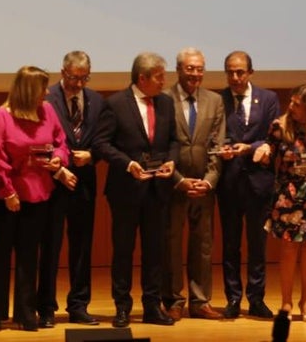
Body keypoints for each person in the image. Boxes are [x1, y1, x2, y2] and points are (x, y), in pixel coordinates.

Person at [0, 65, 77, 332]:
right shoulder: (1, 116)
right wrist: (8, 192)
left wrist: (59, 157)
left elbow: (60, 141)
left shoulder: (46, 111)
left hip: (39, 192)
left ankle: (26, 312)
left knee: (28, 255)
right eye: (42, 88)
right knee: (0, 253)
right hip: (6, 195)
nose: (47, 93)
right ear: (28, 90)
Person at [95, 51, 179, 328]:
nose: (164, 82)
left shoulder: (166, 103)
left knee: (155, 251)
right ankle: (122, 307)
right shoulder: (116, 103)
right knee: (123, 250)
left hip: (157, 189)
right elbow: (103, 144)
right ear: (142, 78)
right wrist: (127, 163)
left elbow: (174, 141)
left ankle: (152, 306)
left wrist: (171, 161)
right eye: (159, 77)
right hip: (126, 190)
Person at [37, 51, 106, 327]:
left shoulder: (98, 101)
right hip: (53, 181)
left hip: (85, 182)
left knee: (82, 246)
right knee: (50, 245)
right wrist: (59, 167)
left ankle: (78, 305)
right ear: (62, 72)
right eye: (73, 78)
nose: (78, 84)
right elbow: (39, 140)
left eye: (84, 78)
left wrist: (93, 155)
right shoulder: (46, 99)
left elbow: (105, 139)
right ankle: (46, 307)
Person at [256, 83, 306, 322]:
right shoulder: (280, 126)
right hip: (287, 196)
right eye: (291, 102)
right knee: (289, 249)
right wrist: (264, 153)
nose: (291, 107)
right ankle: (287, 302)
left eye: (297, 104)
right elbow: (267, 151)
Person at [162, 47, 227, 321]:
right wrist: (179, 181)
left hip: (203, 187)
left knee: (203, 245)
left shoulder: (215, 101)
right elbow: (161, 144)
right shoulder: (163, 99)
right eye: (190, 68)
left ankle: (200, 302)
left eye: (200, 68)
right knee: (172, 243)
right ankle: (174, 300)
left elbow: (217, 145)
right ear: (178, 70)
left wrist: (209, 181)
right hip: (173, 185)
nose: (195, 74)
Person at [216, 50, 280, 319]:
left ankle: (256, 299)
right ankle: (232, 299)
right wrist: (224, 150)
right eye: (230, 71)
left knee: (257, 244)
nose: (235, 77)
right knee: (230, 244)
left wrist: (249, 148)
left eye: (240, 72)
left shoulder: (268, 99)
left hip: (259, 182)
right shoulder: (217, 100)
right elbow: (211, 137)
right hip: (228, 181)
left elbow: (275, 137)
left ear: (250, 72)